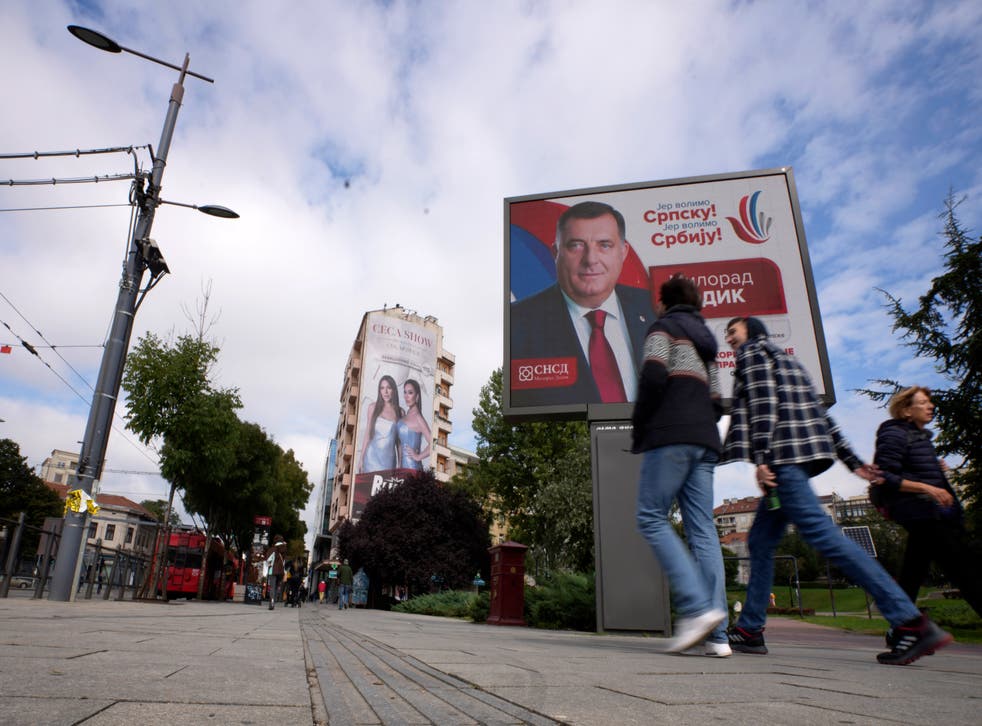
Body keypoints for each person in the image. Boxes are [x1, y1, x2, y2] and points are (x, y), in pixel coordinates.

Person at [721, 317, 952, 666]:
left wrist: (764, 458)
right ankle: (751, 629)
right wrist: (853, 461)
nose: (729, 340)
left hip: (782, 462)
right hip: (798, 461)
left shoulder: (753, 354)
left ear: (752, 333)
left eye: (733, 333)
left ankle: (910, 623)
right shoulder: (789, 363)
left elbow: (764, 406)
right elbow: (821, 417)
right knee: (760, 542)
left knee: (828, 540)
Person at [631, 275, 729, 655]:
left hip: (672, 435)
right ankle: (718, 638)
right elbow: (719, 400)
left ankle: (697, 608)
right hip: (706, 440)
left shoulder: (663, 328)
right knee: (703, 532)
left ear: (663, 302)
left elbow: (653, 374)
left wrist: (641, 425)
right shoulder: (707, 343)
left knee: (651, 517)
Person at [510, 201, 656, 406]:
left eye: (604, 245)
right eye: (576, 245)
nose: (591, 259)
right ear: (555, 253)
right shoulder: (516, 324)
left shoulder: (655, 309)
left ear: (623, 252)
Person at [871, 386, 981, 616]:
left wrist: (935, 473)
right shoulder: (895, 434)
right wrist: (926, 487)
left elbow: (914, 470)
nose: (930, 406)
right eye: (922, 402)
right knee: (966, 572)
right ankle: (903, 627)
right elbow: (882, 475)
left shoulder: (921, 438)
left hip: (932, 514)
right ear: (906, 410)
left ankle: (902, 628)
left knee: (913, 573)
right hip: (919, 512)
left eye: (929, 401)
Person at [359, 375, 402, 473]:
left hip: (389, 462)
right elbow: (367, 435)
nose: (385, 392)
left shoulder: (400, 412)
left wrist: (400, 463)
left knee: (388, 488)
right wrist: (361, 458)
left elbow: (399, 442)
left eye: (389, 388)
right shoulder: (372, 407)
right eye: (382, 388)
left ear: (393, 390)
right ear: (379, 391)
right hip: (371, 459)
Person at [396, 379, 432, 470]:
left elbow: (433, 444)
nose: (406, 396)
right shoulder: (406, 414)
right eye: (405, 392)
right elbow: (400, 442)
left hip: (413, 468)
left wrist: (418, 457)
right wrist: (399, 464)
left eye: (410, 392)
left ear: (417, 397)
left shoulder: (418, 418)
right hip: (402, 468)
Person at [264, 536, 287, 610]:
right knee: (277, 587)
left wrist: (269, 565)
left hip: (273, 571)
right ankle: (275, 599)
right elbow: (284, 562)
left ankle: (272, 602)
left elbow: (268, 560)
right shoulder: (284, 550)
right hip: (281, 572)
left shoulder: (273, 549)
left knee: (272, 587)